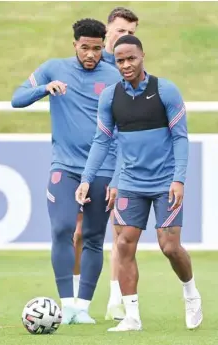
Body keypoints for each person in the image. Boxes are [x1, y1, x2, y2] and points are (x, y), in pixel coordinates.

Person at [75, 35, 203, 332]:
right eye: (120, 60)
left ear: (142, 55)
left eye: (131, 58)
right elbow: (101, 141)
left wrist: (179, 179)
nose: (126, 65)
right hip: (131, 182)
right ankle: (131, 316)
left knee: (169, 247)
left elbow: (181, 138)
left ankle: (190, 292)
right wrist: (86, 179)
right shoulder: (110, 96)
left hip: (164, 182)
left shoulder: (166, 90)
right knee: (123, 244)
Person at [11, 18, 121, 325]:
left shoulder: (114, 76)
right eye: (85, 48)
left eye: (97, 49)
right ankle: (65, 303)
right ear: (75, 44)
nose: (90, 54)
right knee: (61, 229)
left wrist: (117, 176)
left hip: (102, 169)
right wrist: (43, 89)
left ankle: (82, 308)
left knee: (93, 236)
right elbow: (16, 98)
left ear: (103, 47)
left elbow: (125, 129)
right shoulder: (53, 68)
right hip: (65, 167)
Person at [72, 7, 139, 321]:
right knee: (76, 231)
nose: (126, 37)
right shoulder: (88, 63)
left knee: (119, 232)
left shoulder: (127, 72)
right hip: (81, 160)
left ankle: (115, 299)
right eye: (121, 31)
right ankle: (72, 299)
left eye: (131, 33)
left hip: (117, 164)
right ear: (107, 30)